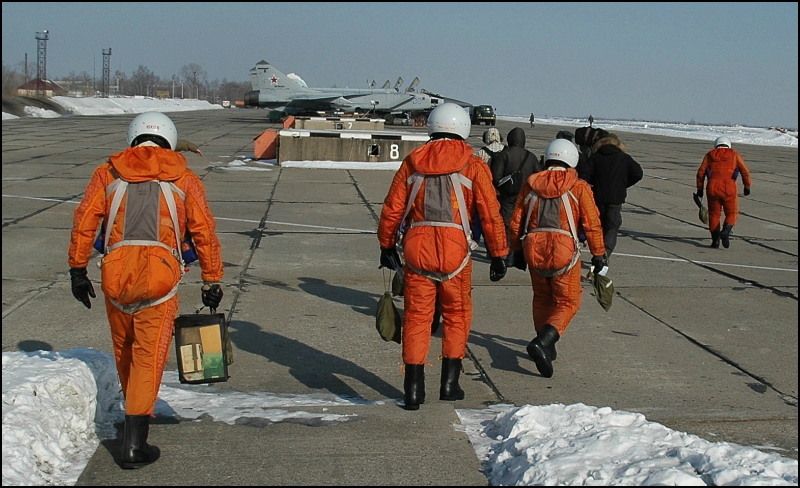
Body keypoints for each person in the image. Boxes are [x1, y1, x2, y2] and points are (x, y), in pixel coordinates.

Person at [67, 111, 224, 469]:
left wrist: (77, 270)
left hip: (115, 278)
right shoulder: (185, 179)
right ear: (168, 138)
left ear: (133, 136)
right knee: (148, 358)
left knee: (124, 350)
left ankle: (132, 414)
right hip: (160, 282)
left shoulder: (107, 173)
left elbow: (85, 220)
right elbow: (204, 232)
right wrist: (212, 279)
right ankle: (135, 444)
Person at [377, 103, 509, 411]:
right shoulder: (474, 165)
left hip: (417, 252)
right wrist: (499, 253)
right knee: (457, 316)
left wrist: (386, 245)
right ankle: (450, 384)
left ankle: (413, 390)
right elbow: (490, 214)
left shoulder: (412, 163)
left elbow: (392, 208)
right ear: (463, 128)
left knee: (417, 319)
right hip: (456, 255)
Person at [509, 139, 606, 378]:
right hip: (565, 253)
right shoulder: (579, 187)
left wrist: (517, 251)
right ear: (572, 160)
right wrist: (599, 254)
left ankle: (547, 346)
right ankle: (544, 341)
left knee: (542, 297)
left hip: (533, 249)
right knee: (568, 302)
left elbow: (515, 222)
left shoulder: (530, 186)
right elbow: (592, 224)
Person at [586, 133, 643, 258]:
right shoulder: (625, 158)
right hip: (616, 198)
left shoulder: (596, 157)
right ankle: (605, 252)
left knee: (598, 225)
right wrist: (623, 184)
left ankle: (598, 252)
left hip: (598, 196)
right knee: (612, 226)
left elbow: (585, 174)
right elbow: (638, 173)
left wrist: (594, 183)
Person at [492, 127, 543, 265]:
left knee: (507, 225)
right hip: (527, 196)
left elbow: (496, 176)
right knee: (525, 224)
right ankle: (522, 255)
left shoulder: (505, 155)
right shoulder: (530, 156)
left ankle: (508, 254)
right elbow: (539, 176)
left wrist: (502, 187)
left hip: (508, 196)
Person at [695, 136, 751, 248]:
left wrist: (700, 189)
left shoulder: (709, 155)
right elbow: (745, 171)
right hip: (729, 186)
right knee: (732, 213)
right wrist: (747, 186)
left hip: (712, 187)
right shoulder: (735, 155)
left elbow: (701, 173)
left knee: (714, 214)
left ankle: (715, 241)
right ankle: (726, 230)